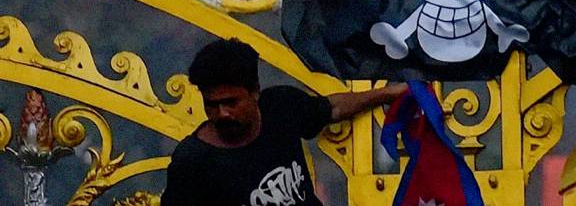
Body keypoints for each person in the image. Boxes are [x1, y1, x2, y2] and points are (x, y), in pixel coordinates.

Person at [161, 38, 406, 206]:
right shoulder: (192, 162)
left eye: (231, 102)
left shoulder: (280, 107)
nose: (222, 113)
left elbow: (332, 108)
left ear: (254, 91)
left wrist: (389, 93)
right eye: (212, 105)